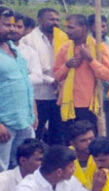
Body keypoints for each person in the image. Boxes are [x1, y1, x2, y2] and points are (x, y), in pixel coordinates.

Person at [53, 14, 109, 131]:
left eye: (71, 27)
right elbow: (57, 75)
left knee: (88, 138)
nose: (67, 31)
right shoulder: (64, 48)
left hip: (89, 105)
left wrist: (90, 60)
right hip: (67, 103)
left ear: (84, 28)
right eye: (66, 27)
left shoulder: (98, 48)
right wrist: (67, 65)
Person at [0, 7, 36, 172]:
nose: (12, 29)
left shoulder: (14, 49)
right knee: (2, 170)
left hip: (24, 121)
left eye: (13, 25)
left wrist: (33, 111)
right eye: (7, 25)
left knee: (23, 168)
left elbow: (25, 82)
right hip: (5, 124)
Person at [21, 8, 64, 144]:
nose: (55, 22)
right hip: (38, 96)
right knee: (36, 133)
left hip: (59, 96)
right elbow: (30, 70)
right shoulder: (28, 40)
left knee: (58, 134)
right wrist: (52, 80)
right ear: (39, 20)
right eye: (51, 19)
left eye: (57, 19)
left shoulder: (62, 38)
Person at [68, 120, 97, 189]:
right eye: (83, 140)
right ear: (73, 143)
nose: (89, 143)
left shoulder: (103, 154)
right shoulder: (64, 159)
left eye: (91, 139)